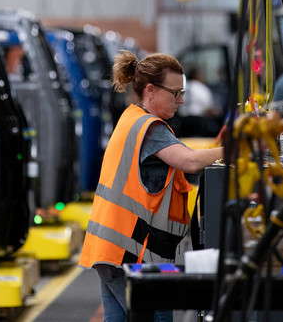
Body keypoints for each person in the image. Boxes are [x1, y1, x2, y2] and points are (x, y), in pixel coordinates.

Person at [79, 51, 224, 322]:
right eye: (175, 93)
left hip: (111, 250)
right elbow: (190, 161)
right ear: (150, 90)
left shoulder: (131, 119)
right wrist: (233, 150)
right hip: (130, 254)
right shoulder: (151, 129)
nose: (181, 100)